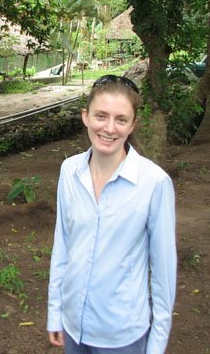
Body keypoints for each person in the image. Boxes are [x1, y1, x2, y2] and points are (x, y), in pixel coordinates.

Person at [47, 74, 177, 354]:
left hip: (121, 333)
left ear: (132, 125)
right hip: (73, 325)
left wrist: (156, 345)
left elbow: (164, 271)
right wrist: (55, 311)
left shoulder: (154, 183)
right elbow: (64, 245)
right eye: (101, 116)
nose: (109, 128)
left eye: (121, 119)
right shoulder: (69, 171)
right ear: (85, 116)